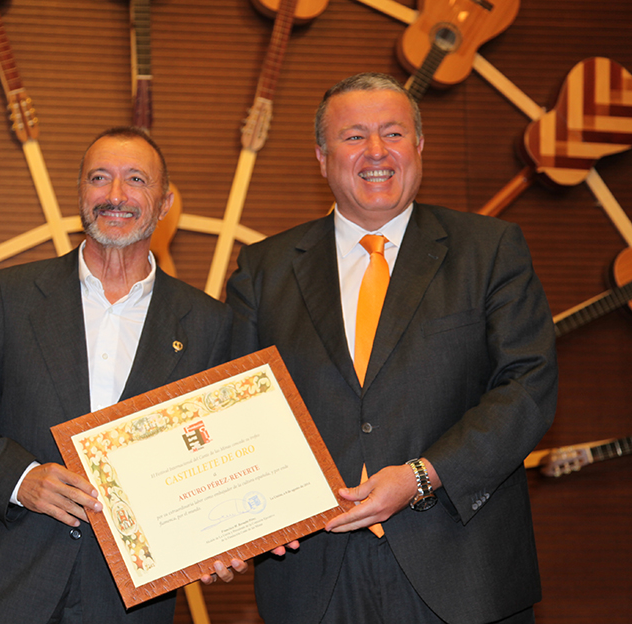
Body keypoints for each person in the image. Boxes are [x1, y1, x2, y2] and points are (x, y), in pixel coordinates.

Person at [226, 73, 558, 624]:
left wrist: (423, 474)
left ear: (419, 146)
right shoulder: (264, 268)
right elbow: (234, 406)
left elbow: (528, 386)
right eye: (354, 136)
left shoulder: (490, 249)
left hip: (460, 565)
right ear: (322, 156)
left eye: (394, 133)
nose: (376, 151)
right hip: (312, 571)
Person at [0, 127, 243, 624]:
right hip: (8, 585)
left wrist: (223, 532)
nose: (115, 195)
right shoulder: (10, 295)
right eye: (99, 178)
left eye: (136, 180)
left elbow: (215, 450)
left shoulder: (209, 323)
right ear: (80, 194)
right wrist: (22, 479)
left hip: (130, 599)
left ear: (165, 203)